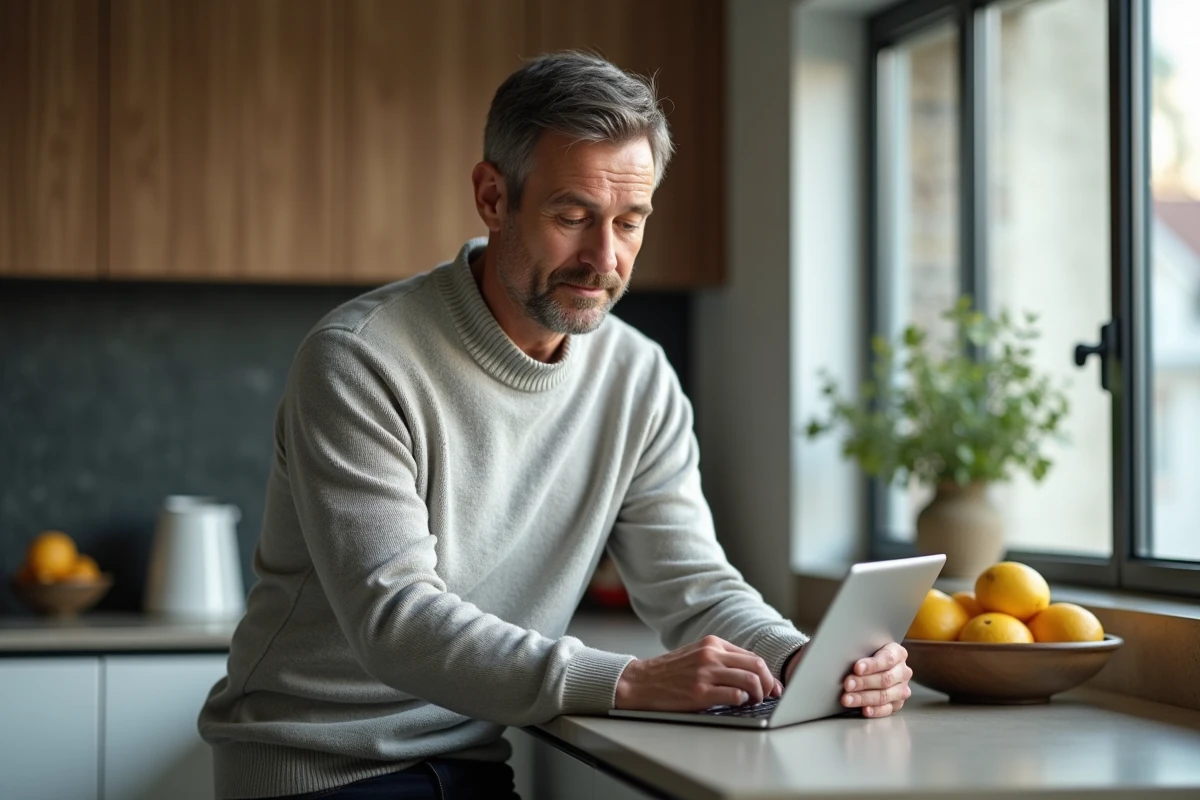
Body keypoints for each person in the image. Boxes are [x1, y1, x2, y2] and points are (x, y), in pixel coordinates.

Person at [198, 51, 912, 800]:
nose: (604, 259)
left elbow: (693, 583)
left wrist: (806, 660)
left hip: (471, 759)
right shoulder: (359, 360)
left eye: (630, 223)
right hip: (315, 766)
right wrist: (629, 680)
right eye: (572, 216)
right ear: (492, 196)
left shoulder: (639, 378)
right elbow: (396, 621)